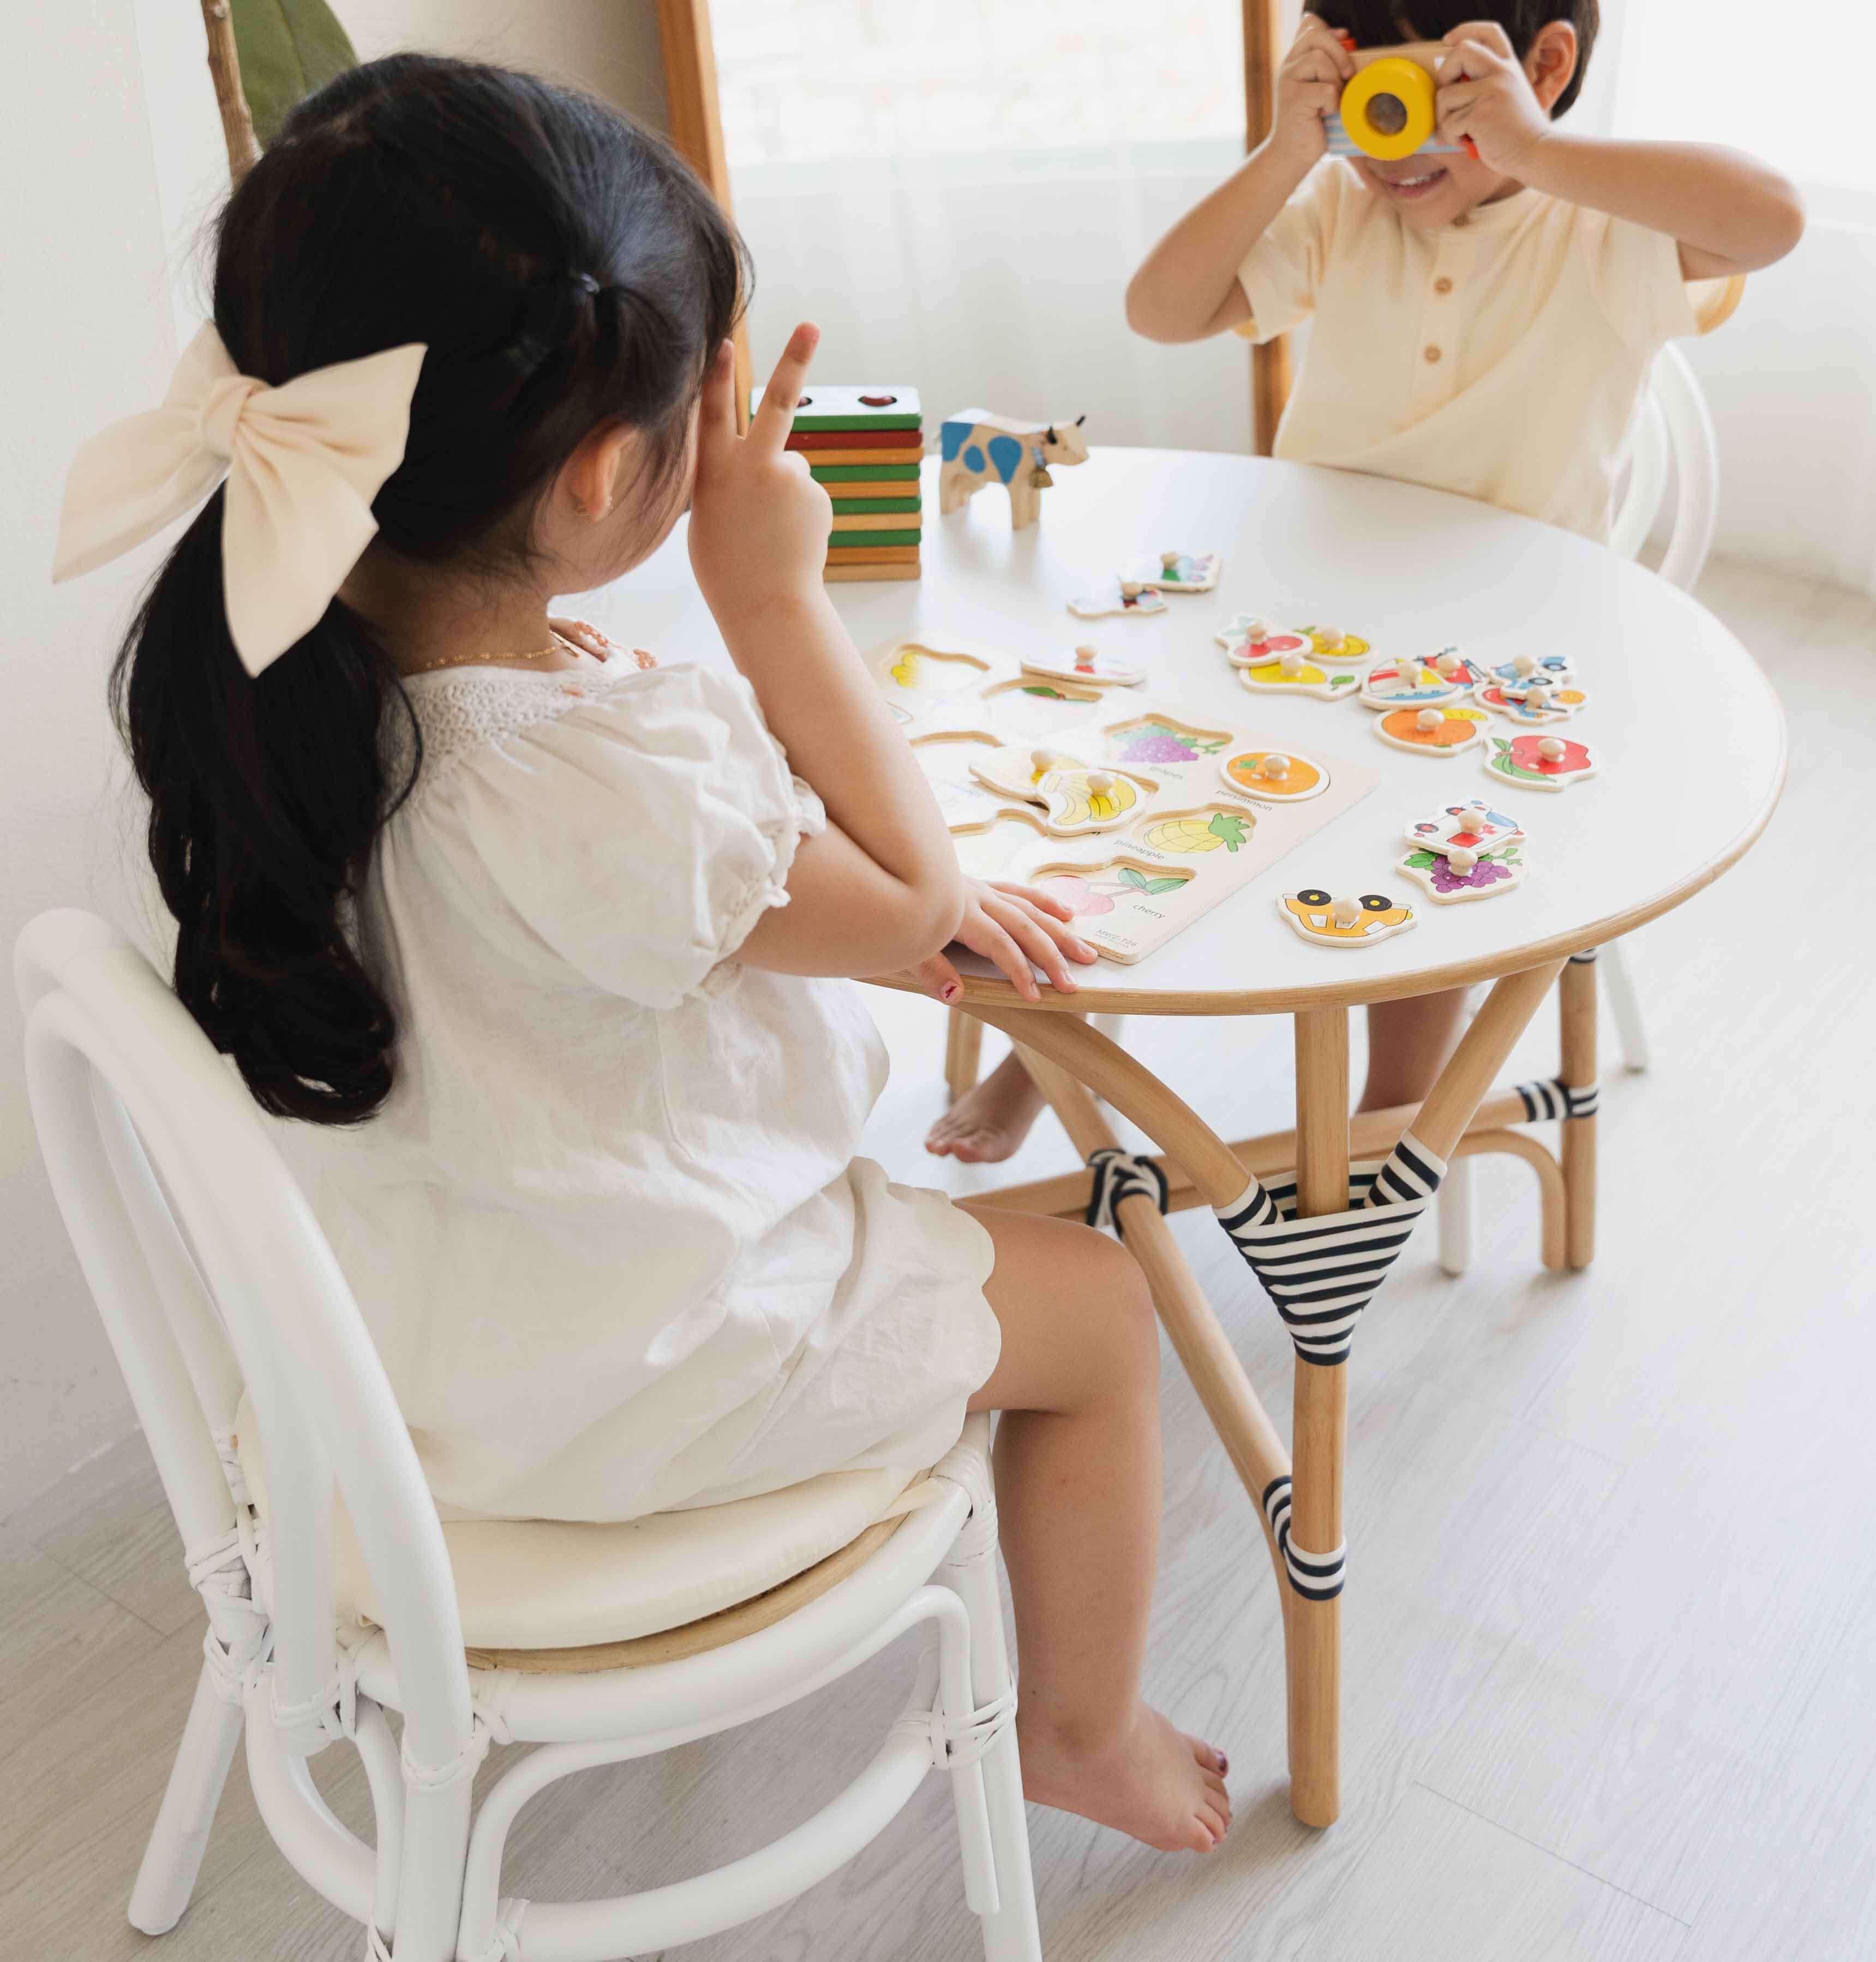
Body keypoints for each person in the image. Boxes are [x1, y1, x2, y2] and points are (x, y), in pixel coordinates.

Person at [58, 55, 1228, 1852]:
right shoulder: (598, 788)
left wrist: (840, 893)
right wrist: (774, 594)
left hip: (404, 1326)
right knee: (1106, 1305)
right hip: (608, 1379)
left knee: (1057, 1213)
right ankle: (1080, 1726)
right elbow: (913, 899)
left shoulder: (273, 642)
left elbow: (720, 909)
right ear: (607, 476)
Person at [926, 0, 1803, 1167]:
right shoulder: (1341, 210)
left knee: (1421, 824)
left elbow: (1773, 220)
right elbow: (1160, 309)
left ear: (1540, 62)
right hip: (1300, 615)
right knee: (1147, 764)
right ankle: (1055, 1037)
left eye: (1420, 96)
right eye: (1357, 97)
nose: (1388, 143)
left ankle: (1394, 1108)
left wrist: (1531, 150)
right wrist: (1288, 148)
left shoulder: (1603, 229)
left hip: (1511, 638)